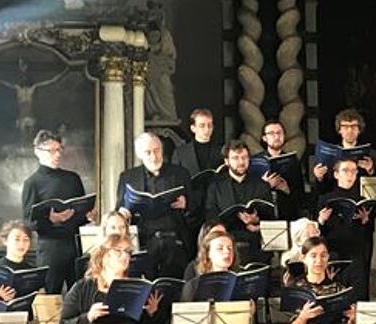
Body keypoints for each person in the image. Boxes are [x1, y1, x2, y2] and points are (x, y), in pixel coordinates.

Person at [21, 129, 89, 324]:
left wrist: (83, 214)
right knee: (46, 301)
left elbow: (83, 209)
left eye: (60, 149)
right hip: (49, 248)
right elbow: (28, 221)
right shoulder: (32, 183)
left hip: (74, 244)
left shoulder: (72, 178)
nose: (57, 154)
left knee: (80, 298)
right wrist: (52, 218)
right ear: (38, 152)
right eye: (52, 150)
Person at [117, 132, 194, 279]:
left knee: (174, 286)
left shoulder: (180, 173)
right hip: (143, 240)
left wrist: (186, 204)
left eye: (157, 150)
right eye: (148, 152)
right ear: (140, 154)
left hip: (174, 239)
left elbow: (194, 207)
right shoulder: (128, 177)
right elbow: (119, 210)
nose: (154, 156)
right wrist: (124, 213)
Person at [205, 140, 272, 268]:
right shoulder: (215, 185)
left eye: (244, 157)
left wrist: (256, 220)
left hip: (255, 239)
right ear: (226, 161)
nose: (241, 162)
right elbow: (210, 213)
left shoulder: (261, 184)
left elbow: (270, 215)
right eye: (236, 158)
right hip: (227, 237)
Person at [317, 158, 376, 300]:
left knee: (359, 291)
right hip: (334, 251)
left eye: (353, 171)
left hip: (357, 252)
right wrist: (321, 220)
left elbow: (369, 231)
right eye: (345, 171)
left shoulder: (362, 199)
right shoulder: (325, 199)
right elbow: (318, 232)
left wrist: (366, 220)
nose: (350, 175)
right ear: (336, 174)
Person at [171, 108, 223, 238]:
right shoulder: (181, 152)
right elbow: (174, 180)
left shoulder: (222, 151)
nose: (206, 129)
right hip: (190, 207)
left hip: (215, 206)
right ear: (193, 128)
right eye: (202, 125)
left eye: (209, 125)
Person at [311, 109, 376, 194]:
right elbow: (321, 190)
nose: (349, 130)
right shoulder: (329, 152)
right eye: (345, 126)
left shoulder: (372, 154)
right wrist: (319, 176)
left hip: (362, 197)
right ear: (339, 130)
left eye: (353, 126)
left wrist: (370, 169)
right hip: (335, 197)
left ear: (359, 130)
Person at [255, 119, 306, 219]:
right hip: (263, 215)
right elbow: (250, 193)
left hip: (287, 213)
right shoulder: (256, 162)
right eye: (271, 133)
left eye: (279, 133)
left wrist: (286, 189)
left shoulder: (293, 161)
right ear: (264, 138)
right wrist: (265, 185)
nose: (276, 136)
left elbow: (301, 196)